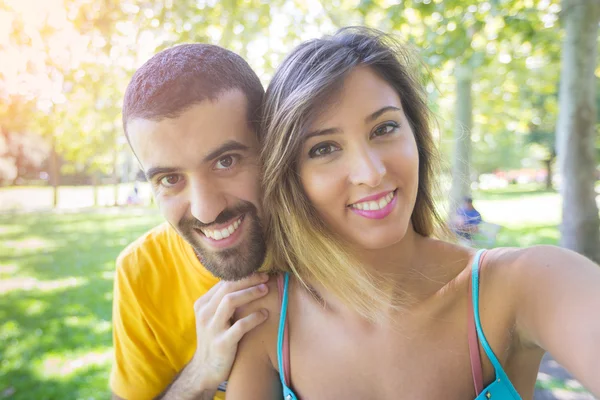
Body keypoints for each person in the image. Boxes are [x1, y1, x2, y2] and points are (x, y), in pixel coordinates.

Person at [225, 28, 600, 399]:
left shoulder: (525, 284)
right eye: (324, 149)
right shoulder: (263, 318)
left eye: (384, 128)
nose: (371, 173)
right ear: (292, 177)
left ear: (416, 135)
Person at [110, 44, 272, 400]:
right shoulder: (141, 271)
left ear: (270, 146)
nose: (205, 211)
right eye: (169, 179)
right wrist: (200, 374)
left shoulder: (330, 243)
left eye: (226, 161)